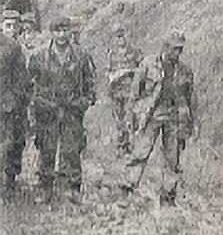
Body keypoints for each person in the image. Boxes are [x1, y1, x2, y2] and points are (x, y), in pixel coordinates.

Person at [120, 30, 195, 206]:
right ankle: (127, 189)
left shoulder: (185, 72)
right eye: (174, 49)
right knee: (141, 151)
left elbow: (190, 100)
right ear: (165, 47)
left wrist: (188, 124)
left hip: (174, 117)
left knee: (172, 158)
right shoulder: (148, 64)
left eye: (180, 49)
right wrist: (131, 114)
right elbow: (134, 91)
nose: (177, 53)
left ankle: (168, 197)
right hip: (151, 114)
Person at [27, 16, 97, 203]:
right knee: (46, 148)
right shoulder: (40, 55)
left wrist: (85, 101)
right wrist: (37, 101)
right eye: (57, 31)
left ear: (70, 31)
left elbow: (90, 81)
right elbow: (28, 82)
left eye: (64, 30)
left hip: (71, 111)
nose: (61, 35)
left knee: (72, 149)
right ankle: (45, 187)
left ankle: (72, 188)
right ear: (52, 32)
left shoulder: (81, 55)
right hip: (47, 111)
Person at [1, 10, 32, 198]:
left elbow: (22, 80)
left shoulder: (15, 49)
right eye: (7, 26)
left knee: (13, 144)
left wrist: (15, 101)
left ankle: (10, 184)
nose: (11, 30)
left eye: (14, 26)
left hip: (11, 107)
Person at [106, 24, 143, 156]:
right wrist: (112, 78)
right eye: (117, 36)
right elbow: (109, 71)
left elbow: (142, 68)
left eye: (122, 36)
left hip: (130, 91)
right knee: (118, 119)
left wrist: (128, 72)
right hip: (117, 92)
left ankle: (131, 147)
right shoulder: (112, 54)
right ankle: (121, 146)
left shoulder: (134, 51)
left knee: (130, 118)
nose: (120, 39)